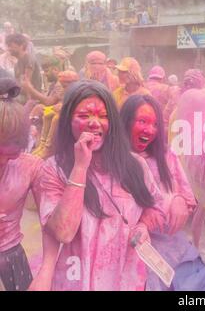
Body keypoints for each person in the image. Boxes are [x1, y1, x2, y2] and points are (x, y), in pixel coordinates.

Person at [36, 80, 165, 290]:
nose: (94, 123)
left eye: (103, 116)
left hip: (126, 279)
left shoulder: (136, 166)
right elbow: (62, 232)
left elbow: (156, 207)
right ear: (68, 121)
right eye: (84, 116)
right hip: (76, 280)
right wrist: (80, 167)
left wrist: (143, 225)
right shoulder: (54, 170)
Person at [120, 95, 205, 291]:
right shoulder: (112, 159)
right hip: (124, 249)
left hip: (168, 245)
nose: (149, 130)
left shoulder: (165, 155)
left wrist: (179, 200)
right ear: (125, 121)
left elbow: (189, 198)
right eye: (142, 121)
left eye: (155, 124)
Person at [0, 77, 43, 291]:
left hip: (12, 260)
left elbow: (53, 220)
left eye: (9, 156)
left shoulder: (29, 166)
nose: (2, 162)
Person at [6, 33, 42, 105]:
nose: (9, 49)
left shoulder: (28, 59)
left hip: (31, 98)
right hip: (21, 96)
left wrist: (28, 106)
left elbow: (27, 84)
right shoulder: (17, 64)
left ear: (21, 45)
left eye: (11, 46)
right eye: (8, 46)